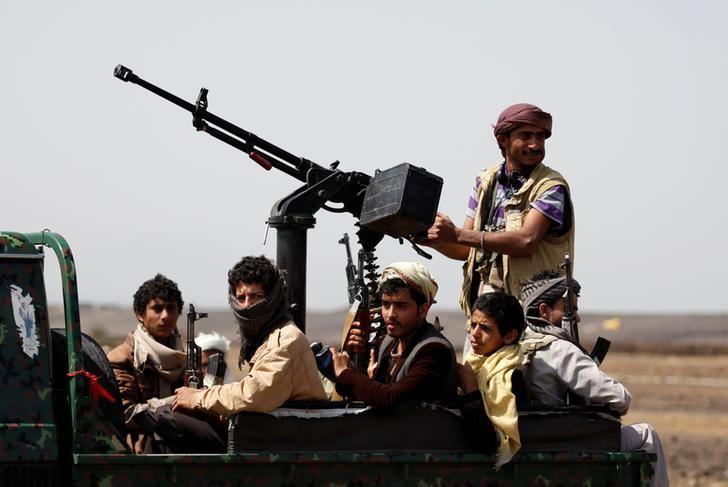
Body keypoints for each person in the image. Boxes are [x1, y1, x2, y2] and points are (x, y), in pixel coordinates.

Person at [421, 103, 575, 355]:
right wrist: (431, 237)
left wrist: (458, 233)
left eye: (540, 137)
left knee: (530, 387)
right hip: (486, 311)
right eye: (526, 136)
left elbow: (527, 241)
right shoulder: (485, 182)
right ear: (503, 140)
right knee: (476, 383)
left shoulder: (551, 187)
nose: (535, 145)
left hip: (534, 315)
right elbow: (464, 249)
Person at [519, 270, 669, 487]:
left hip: (532, 441)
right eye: (570, 310)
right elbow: (620, 398)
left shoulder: (518, 345)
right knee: (646, 434)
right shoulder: (559, 349)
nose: (577, 317)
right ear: (544, 310)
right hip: (566, 442)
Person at [173, 255, 326, 416]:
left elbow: (253, 395)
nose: (246, 305)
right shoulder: (264, 338)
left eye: (256, 296)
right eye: (241, 298)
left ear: (271, 299)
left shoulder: (285, 339)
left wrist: (199, 398)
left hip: (293, 435)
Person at [107, 274, 225, 453]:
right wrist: (178, 400)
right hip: (144, 444)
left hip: (184, 436)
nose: (165, 316)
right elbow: (126, 414)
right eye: (157, 308)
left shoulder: (185, 356)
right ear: (140, 314)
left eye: (171, 309)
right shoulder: (123, 358)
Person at [331, 262, 458, 409]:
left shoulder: (434, 350)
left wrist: (345, 374)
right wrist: (355, 357)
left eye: (401, 306)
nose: (390, 314)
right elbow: (371, 392)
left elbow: (389, 397)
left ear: (423, 310)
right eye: (386, 304)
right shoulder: (388, 342)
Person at [457, 292, 525, 467]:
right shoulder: (475, 363)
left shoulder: (509, 378)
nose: (475, 334)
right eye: (473, 325)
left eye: (485, 328)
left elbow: (489, 443)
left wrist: (471, 391)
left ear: (509, 336)